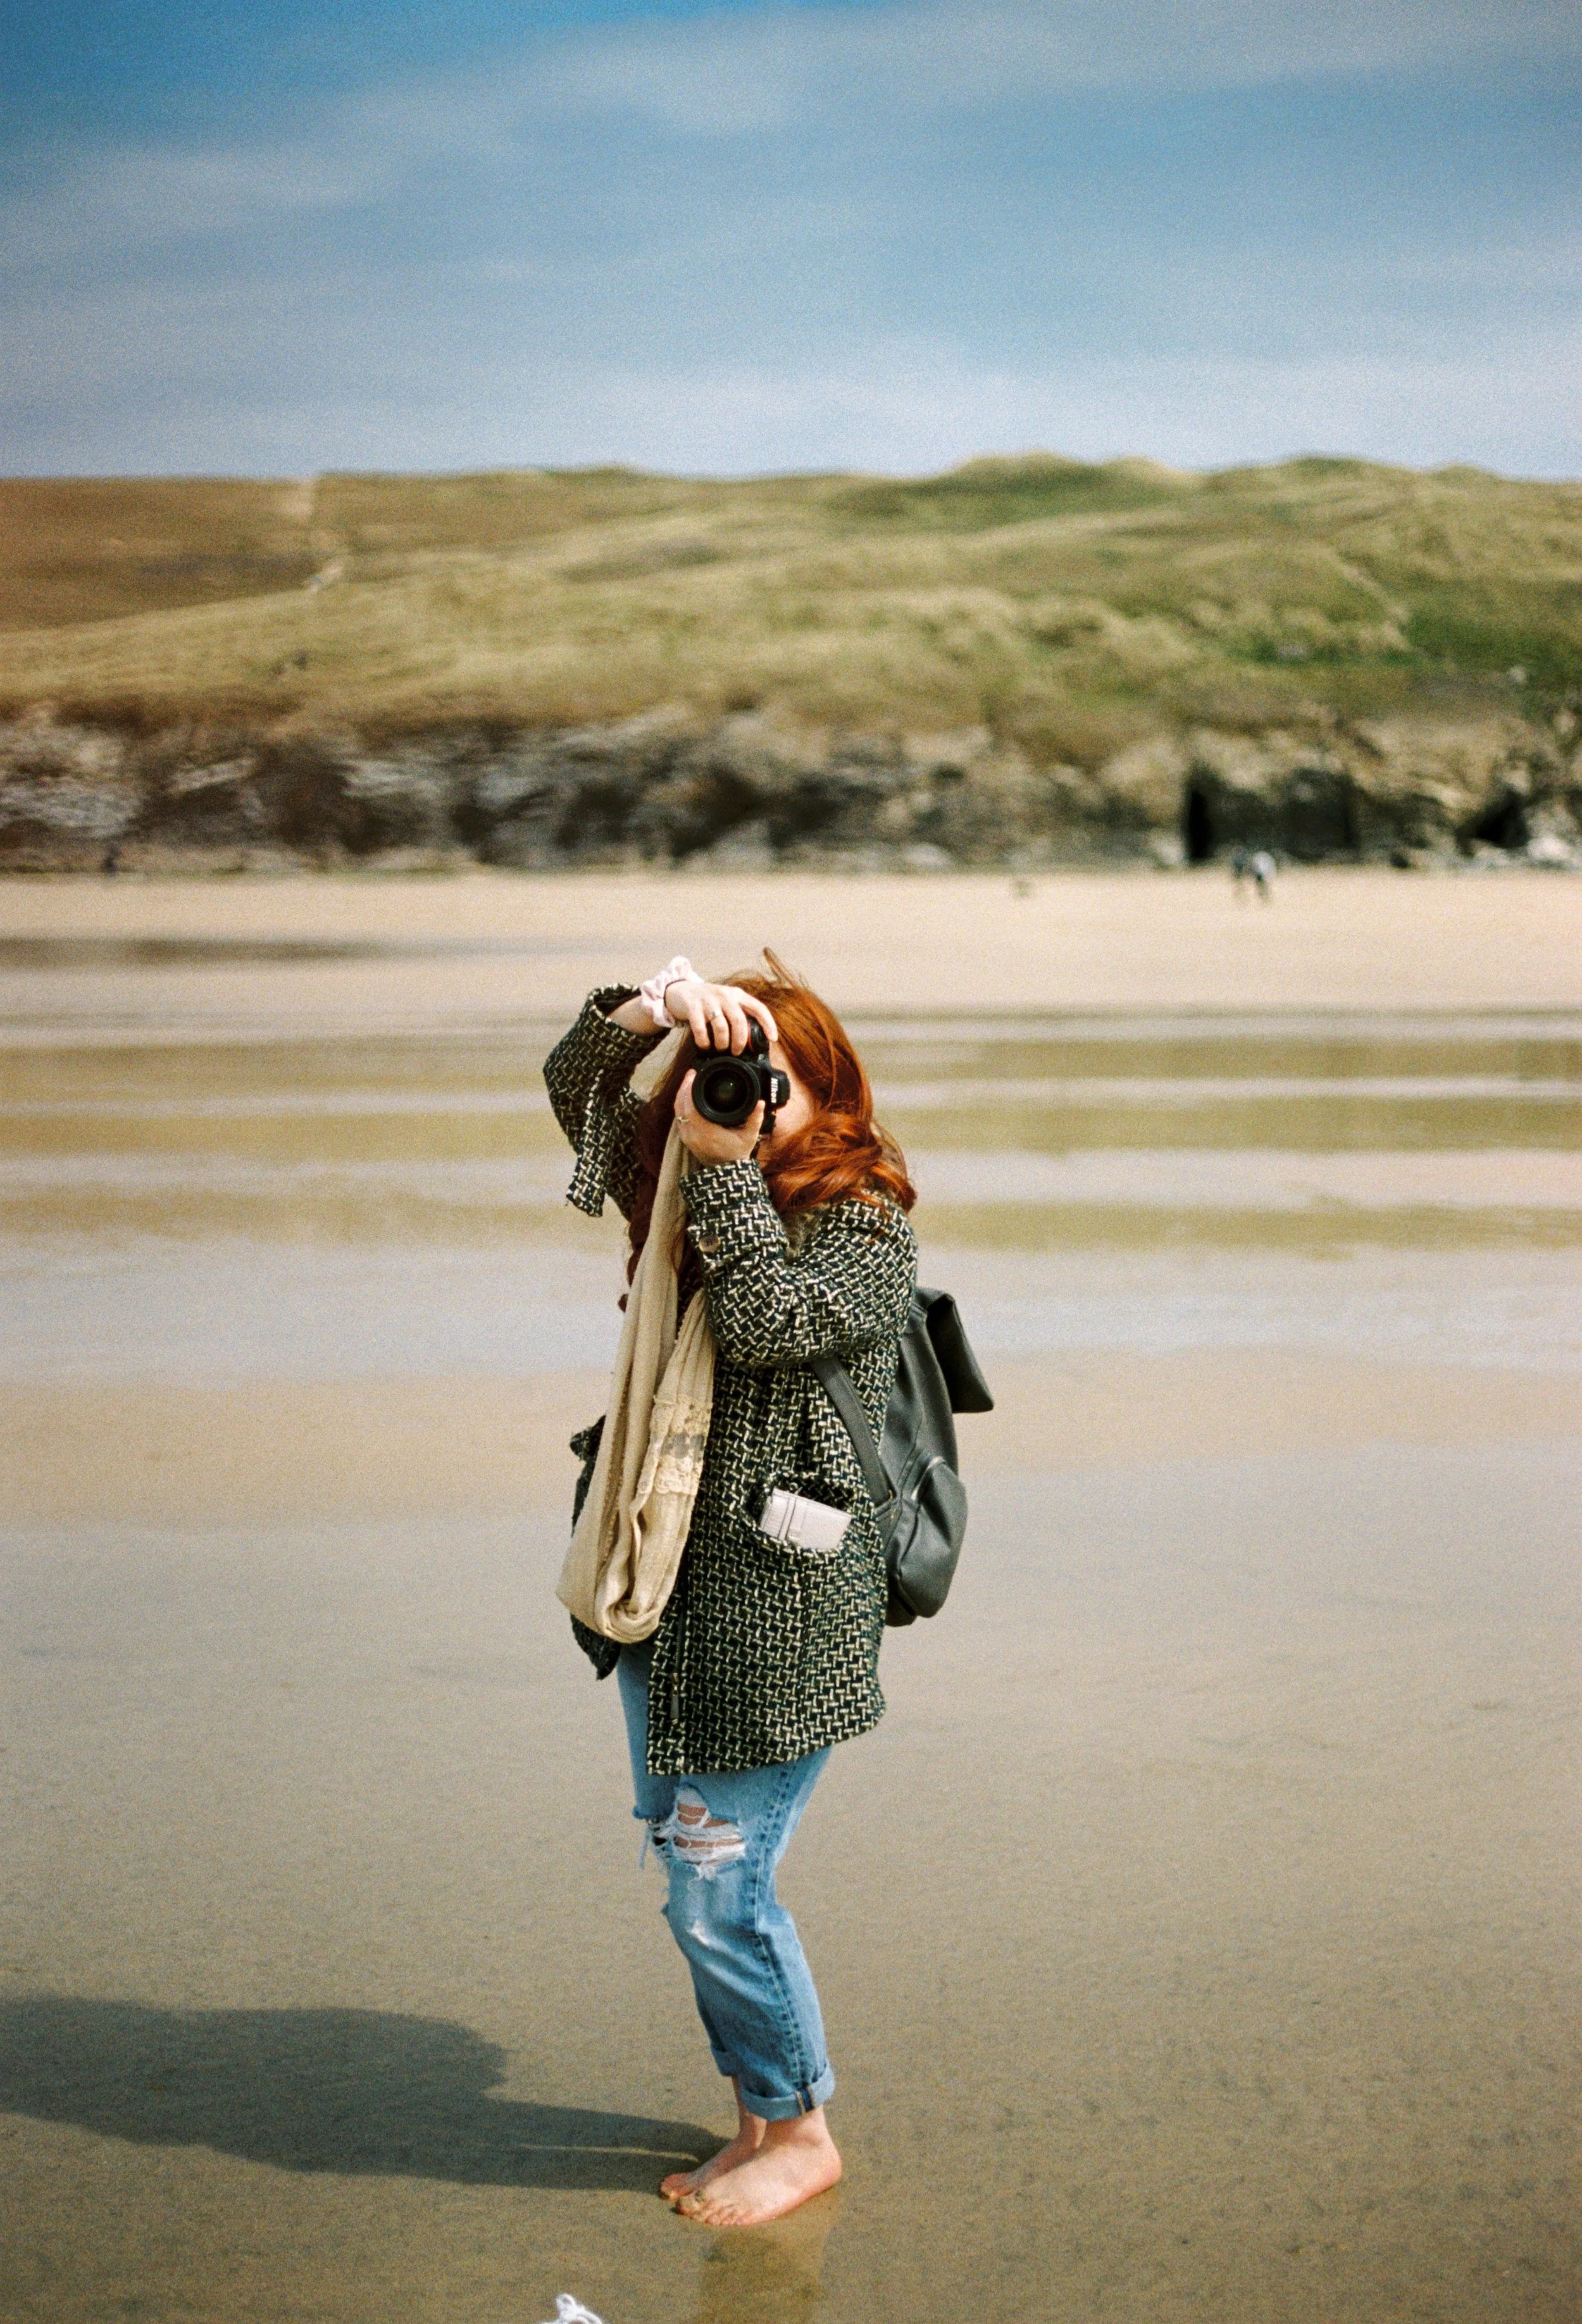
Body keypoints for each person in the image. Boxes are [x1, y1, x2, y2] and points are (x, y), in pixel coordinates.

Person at [543, 951, 918, 2228]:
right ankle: (758, 2113)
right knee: (686, 1865)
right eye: (732, 1077)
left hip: (777, 1618)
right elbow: (575, 1097)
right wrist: (647, 1016)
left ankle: (801, 2127)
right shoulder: (675, 1185)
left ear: (833, 1094)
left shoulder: (865, 1223)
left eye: (780, 1082)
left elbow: (761, 1320)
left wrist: (718, 1171)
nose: (753, 1102)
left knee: (718, 1884)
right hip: (659, 1587)